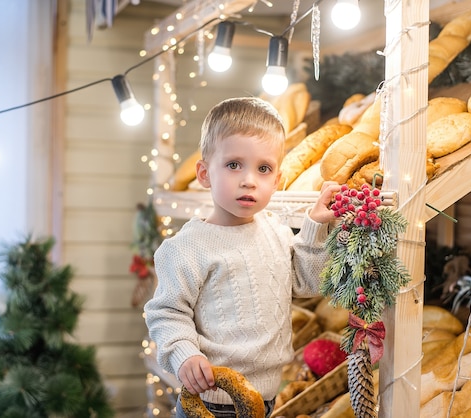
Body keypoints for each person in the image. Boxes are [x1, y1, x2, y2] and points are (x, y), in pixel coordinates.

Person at [144, 96, 339, 417]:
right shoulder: (186, 247)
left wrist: (316, 225)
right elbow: (166, 313)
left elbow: (307, 284)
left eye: (263, 169)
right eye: (234, 164)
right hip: (210, 401)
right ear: (205, 174)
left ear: (276, 181)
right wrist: (185, 356)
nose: (249, 179)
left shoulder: (275, 230)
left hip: (264, 399)